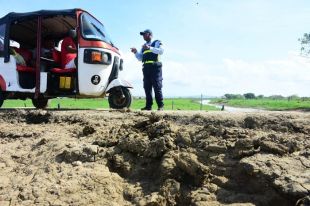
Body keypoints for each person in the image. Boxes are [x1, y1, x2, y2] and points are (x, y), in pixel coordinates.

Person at [131, 29, 164, 111]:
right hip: (146, 68)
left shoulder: (157, 42)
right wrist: (135, 52)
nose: (143, 36)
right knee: (147, 87)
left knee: (157, 86)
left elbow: (161, 51)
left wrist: (150, 48)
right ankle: (148, 106)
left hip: (155, 67)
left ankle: (160, 106)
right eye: (142, 35)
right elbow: (140, 58)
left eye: (144, 34)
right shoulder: (143, 46)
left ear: (150, 35)